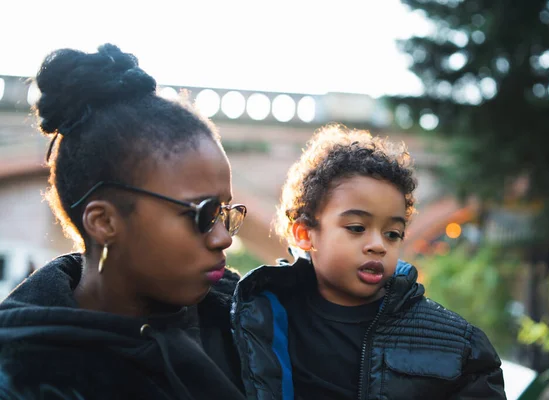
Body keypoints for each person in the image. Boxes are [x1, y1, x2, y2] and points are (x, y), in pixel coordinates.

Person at [0, 44, 247, 400]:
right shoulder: (23, 378)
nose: (223, 238)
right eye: (205, 214)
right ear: (104, 222)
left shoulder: (249, 320)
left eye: (225, 213)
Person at [231, 124, 507, 399]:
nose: (378, 245)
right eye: (356, 228)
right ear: (304, 234)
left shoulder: (459, 347)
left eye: (392, 234)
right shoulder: (258, 316)